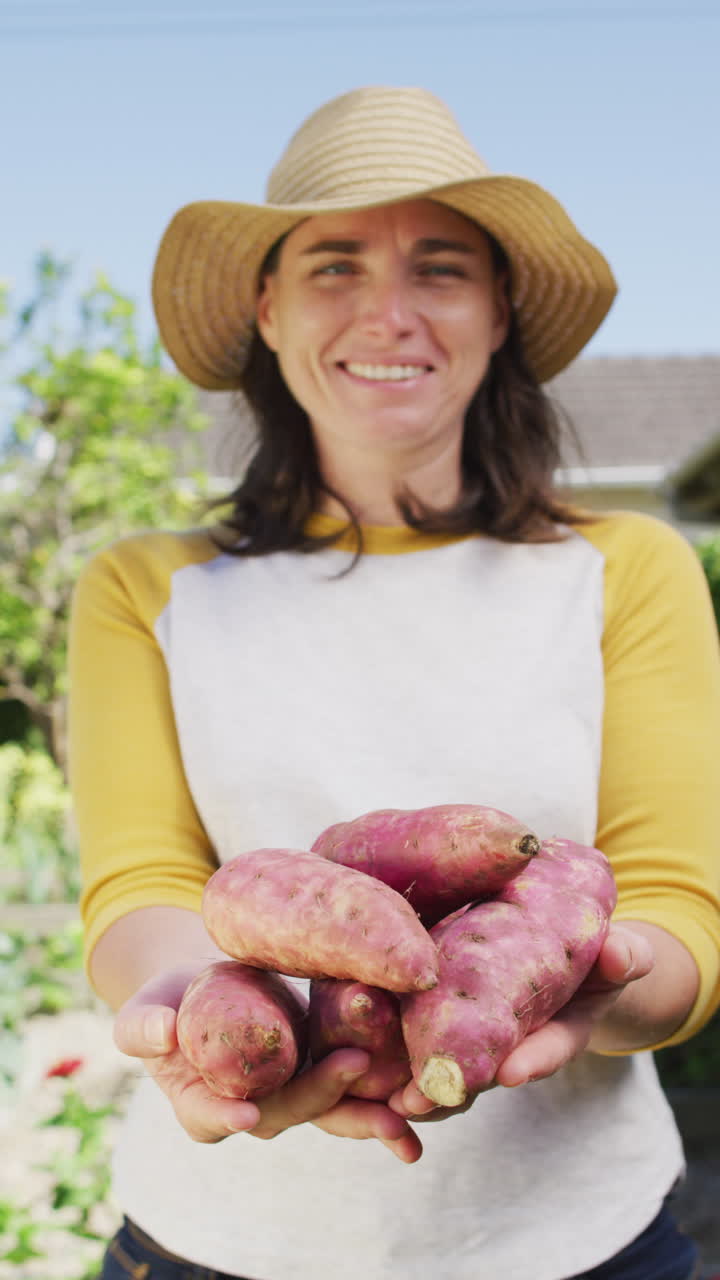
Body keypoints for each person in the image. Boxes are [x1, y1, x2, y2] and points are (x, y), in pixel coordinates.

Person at [67, 85, 720, 1280]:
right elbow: (145, 879)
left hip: (582, 1242)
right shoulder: (145, 588)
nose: (390, 311)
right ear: (267, 309)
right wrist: (196, 1016)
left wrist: (589, 989)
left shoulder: (625, 567)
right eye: (332, 265)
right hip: (218, 1241)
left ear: (498, 308)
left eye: (440, 266)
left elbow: (677, 905)